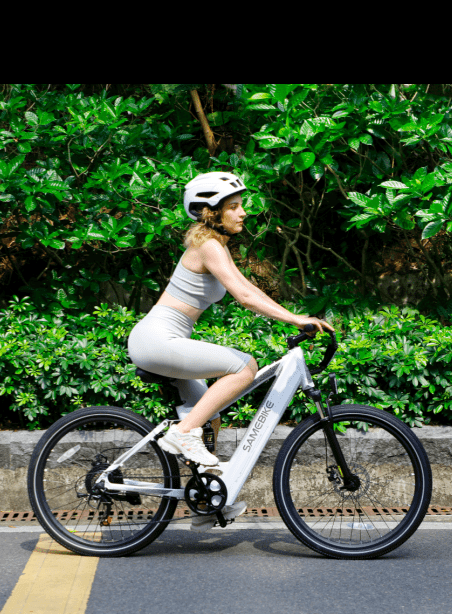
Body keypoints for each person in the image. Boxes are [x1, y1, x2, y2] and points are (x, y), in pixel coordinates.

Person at [126, 171, 334, 531]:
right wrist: (294, 318)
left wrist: (292, 316)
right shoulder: (207, 246)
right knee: (244, 367)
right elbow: (245, 297)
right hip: (156, 338)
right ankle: (182, 434)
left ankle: (206, 498)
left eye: (241, 207)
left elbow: (247, 288)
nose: (243, 213)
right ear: (211, 213)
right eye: (234, 207)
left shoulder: (215, 247)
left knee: (211, 415)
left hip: (162, 338)